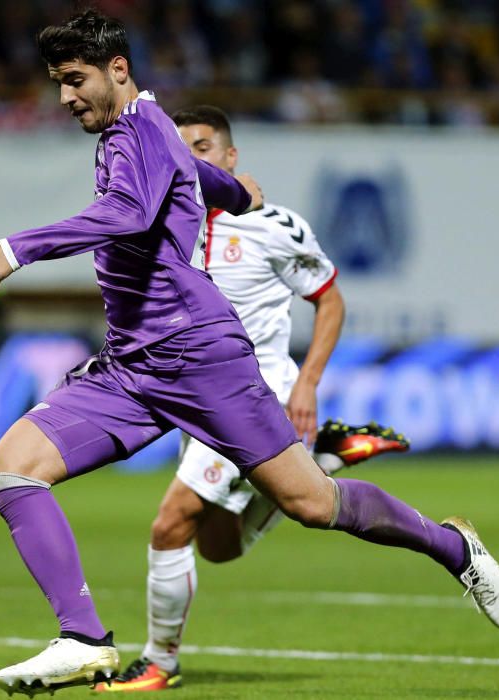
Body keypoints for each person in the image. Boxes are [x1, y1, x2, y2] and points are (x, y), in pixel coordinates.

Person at [0, 10, 499, 697]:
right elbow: (196, 180)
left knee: (312, 505)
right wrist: (231, 191)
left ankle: (452, 547)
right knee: (12, 470)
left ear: (118, 71)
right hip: (133, 367)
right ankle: (82, 638)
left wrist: (16, 248)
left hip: (201, 358)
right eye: (58, 83)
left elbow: (129, 213)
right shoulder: (139, 132)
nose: (65, 97)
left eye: (74, 80)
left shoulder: (140, 129)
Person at [96, 105, 408, 693]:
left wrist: (309, 382)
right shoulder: (165, 227)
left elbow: (330, 299)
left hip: (252, 396)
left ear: (232, 158)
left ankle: (160, 662)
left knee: (170, 525)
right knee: (217, 547)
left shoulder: (272, 224)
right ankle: (321, 462)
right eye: (182, 150)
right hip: (196, 399)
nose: (193, 159)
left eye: (205, 147)